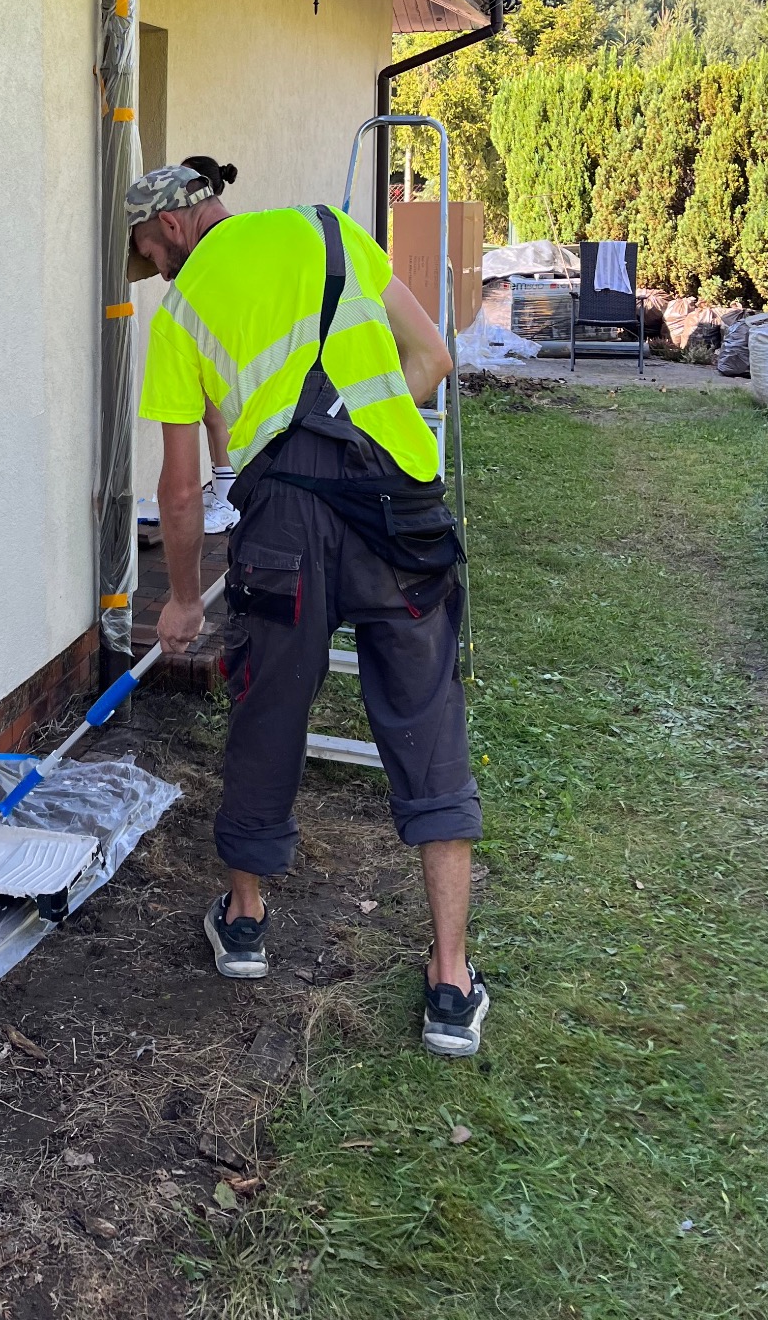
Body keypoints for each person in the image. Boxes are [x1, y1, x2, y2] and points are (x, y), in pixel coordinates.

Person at [126, 164, 488, 1057]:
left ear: (169, 227)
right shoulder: (331, 229)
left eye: (144, 253)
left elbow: (181, 490)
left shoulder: (179, 313)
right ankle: (450, 982)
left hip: (281, 525)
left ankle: (245, 921)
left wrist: (181, 599)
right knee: (428, 723)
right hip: (398, 512)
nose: (152, 271)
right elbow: (432, 359)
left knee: (267, 713)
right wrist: (359, 432)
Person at [179, 154, 241, 532]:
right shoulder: (211, 230)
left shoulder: (219, 232)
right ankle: (222, 488)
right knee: (211, 414)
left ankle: (229, 501)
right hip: (212, 330)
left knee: (218, 416)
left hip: (224, 333)